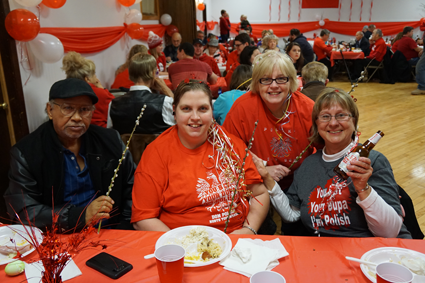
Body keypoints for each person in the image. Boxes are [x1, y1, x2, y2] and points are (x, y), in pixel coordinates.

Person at [251, 87, 411, 238]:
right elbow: (292, 215)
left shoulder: (371, 162)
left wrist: (363, 189)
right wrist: (266, 177)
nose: (333, 123)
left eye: (341, 115)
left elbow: (390, 232)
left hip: (367, 255)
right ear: (316, 124)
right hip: (320, 254)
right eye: (325, 116)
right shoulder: (308, 165)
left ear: (354, 122)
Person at [131, 80, 269, 234]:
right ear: (174, 112)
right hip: (181, 243)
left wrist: (248, 230)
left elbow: (260, 194)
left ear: (212, 111)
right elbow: (143, 218)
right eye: (186, 109)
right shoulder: (156, 154)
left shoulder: (231, 145)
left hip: (234, 239)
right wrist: (181, 244)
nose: (195, 117)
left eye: (203, 109)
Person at [4, 78, 135, 232]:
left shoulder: (110, 140)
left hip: (112, 232)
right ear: (50, 110)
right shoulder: (27, 152)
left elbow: (133, 188)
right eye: (68, 108)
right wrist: (79, 216)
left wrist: (125, 227)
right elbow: (24, 212)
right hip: (57, 237)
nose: (77, 117)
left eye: (85, 109)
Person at [223, 51, 315, 235]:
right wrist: (261, 169)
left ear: (291, 82)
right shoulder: (243, 107)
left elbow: (323, 150)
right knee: (261, 230)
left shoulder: (306, 107)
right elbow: (228, 149)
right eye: (266, 79)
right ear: (257, 82)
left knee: (298, 231)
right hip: (254, 181)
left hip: (296, 179)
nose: (274, 86)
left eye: (281, 79)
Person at [110, 53, 174, 135]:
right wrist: (166, 89)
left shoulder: (113, 104)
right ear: (153, 73)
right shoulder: (165, 102)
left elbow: (112, 133)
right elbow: (180, 121)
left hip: (125, 147)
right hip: (157, 147)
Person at [62, 51, 115, 128]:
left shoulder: (64, 91)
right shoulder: (99, 93)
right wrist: (103, 89)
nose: (96, 78)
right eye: (94, 74)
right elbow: (118, 108)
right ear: (87, 79)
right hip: (99, 134)